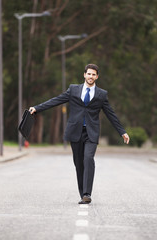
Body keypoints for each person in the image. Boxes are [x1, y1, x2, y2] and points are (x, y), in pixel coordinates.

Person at [29, 63, 130, 204]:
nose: (91, 76)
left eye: (94, 74)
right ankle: (82, 193)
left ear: (97, 77)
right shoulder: (73, 90)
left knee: (88, 159)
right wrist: (37, 108)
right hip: (75, 131)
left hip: (91, 133)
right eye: (89, 73)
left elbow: (111, 114)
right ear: (84, 75)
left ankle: (87, 194)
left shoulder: (101, 94)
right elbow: (56, 100)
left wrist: (122, 132)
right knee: (78, 163)